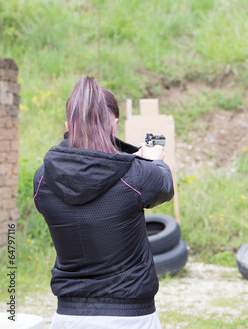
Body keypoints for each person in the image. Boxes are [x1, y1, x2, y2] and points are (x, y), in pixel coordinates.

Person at [33, 76, 173, 328]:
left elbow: (88, 170)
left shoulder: (42, 179)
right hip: (130, 317)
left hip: (68, 316)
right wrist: (152, 160)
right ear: (114, 126)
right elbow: (163, 185)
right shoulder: (138, 175)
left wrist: (131, 159)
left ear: (68, 125)